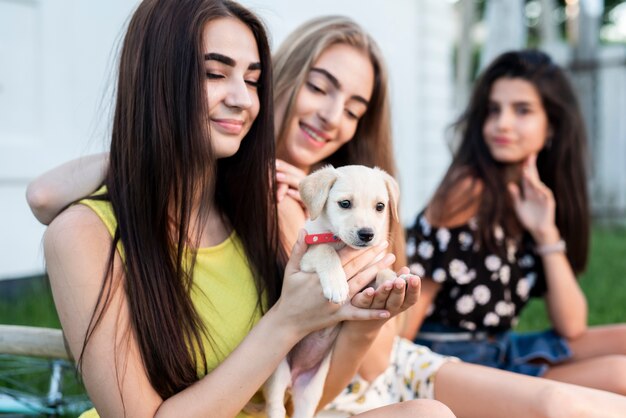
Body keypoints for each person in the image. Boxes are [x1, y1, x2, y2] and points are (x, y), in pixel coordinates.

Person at [29, 16, 626, 418]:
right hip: (390, 368)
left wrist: (363, 311)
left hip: (369, 368)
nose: (334, 117)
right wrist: (154, 144)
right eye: (320, 87)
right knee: (554, 406)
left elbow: (366, 351)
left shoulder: (324, 200)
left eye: (356, 108)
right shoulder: (250, 195)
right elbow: (43, 197)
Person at [38, 2, 446, 418]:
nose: (242, 100)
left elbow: (301, 401)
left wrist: (367, 317)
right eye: (215, 74)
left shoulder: (262, 210)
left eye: (252, 81)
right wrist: (286, 320)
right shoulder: (83, 234)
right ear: (153, 82)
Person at [402, 49, 626, 395]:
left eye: (522, 110)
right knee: (618, 376)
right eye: (494, 110)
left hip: (500, 347)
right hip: (451, 357)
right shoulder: (465, 190)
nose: (502, 123)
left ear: (551, 125)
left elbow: (572, 324)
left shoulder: (533, 197)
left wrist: (544, 232)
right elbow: (411, 308)